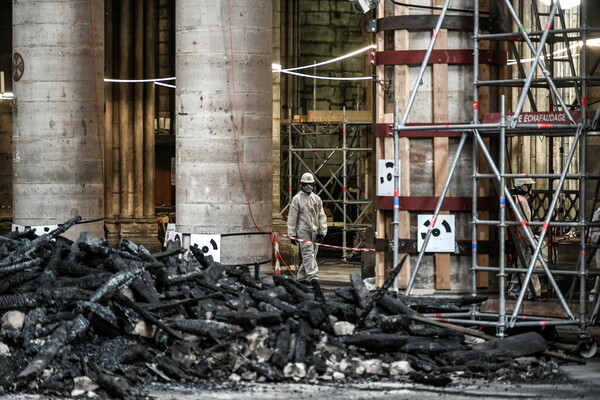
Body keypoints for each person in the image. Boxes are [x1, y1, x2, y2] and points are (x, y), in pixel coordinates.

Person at [287, 172, 327, 300]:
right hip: (303, 230)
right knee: (308, 253)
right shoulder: (297, 199)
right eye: (306, 184)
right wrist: (292, 234)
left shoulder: (317, 199)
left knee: (311, 254)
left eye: (311, 184)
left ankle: (300, 278)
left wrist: (323, 230)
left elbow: (321, 215)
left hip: (315, 230)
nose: (309, 187)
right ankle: (313, 278)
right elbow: (292, 217)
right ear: (301, 185)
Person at [507, 177, 542, 299]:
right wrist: (531, 241)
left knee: (520, 265)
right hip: (522, 238)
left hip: (518, 236)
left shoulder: (514, 199)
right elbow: (523, 223)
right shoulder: (520, 201)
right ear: (524, 186)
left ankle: (514, 291)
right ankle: (533, 292)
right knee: (528, 266)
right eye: (529, 186)